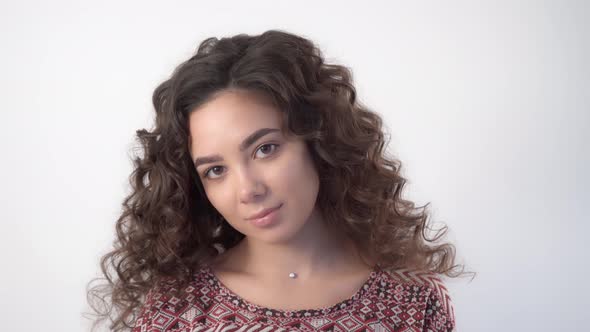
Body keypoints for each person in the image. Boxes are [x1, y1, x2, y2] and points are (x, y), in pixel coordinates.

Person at [86, 29, 472, 332]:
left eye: (265, 149)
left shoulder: (413, 302)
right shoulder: (175, 310)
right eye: (215, 170)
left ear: (319, 138)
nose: (248, 189)